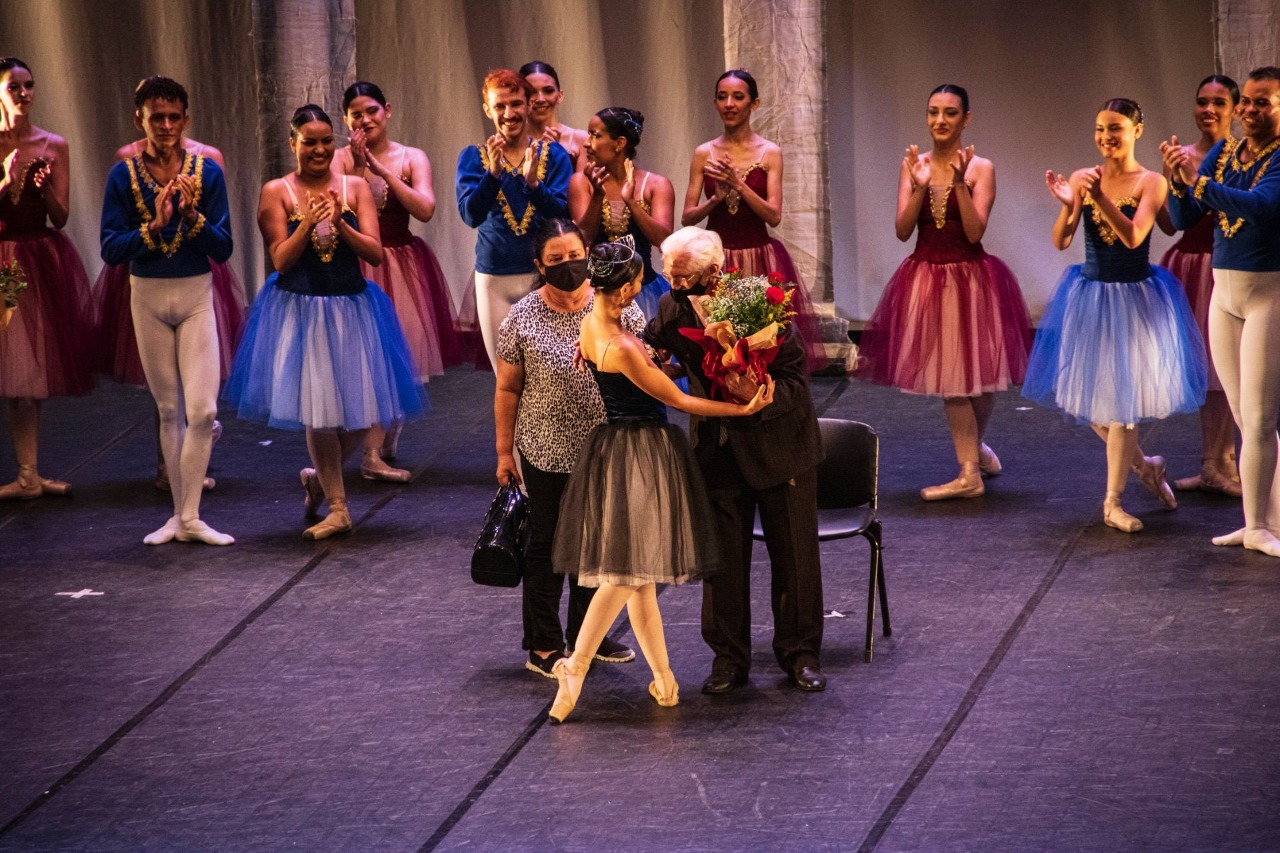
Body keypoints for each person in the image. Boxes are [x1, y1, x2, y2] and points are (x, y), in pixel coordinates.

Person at [547, 237, 775, 723]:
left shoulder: (590, 324)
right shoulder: (624, 346)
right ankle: (576, 665)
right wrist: (742, 407)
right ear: (628, 288)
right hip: (640, 453)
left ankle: (665, 678)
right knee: (626, 575)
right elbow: (681, 401)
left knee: (642, 580)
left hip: (616, 448)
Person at [222, 105, 423, 540]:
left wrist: (340, 224)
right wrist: (308, 224)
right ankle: (338, 506)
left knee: (362, 416)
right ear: (292, 143)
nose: (318, 149)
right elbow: (279, 259)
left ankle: (317, 478)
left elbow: (374, 253)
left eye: (326, 141)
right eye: (309, 142)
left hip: (352, 309)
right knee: (319, 412)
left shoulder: (354, 187)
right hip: (302, 310)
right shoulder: (276, 191)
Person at [645, 225, 826, 694]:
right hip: (717, 449)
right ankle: (728, 660)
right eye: (668, 273)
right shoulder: (671, 305)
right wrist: (647, 360)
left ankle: (800, 654)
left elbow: (794, 383)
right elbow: (658, 346)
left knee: (795, 559)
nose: (672, 283)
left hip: (779, 446)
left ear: (715, 271)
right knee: (722, 564)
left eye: (682, 276)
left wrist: (760, 397)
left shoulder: (764, 304)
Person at [1024, 98, 1206, 533]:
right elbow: (1060, 241)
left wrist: (1097, 197)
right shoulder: (1087, 176)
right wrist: (1069, 204)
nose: (1107, 136)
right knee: (1092, 405)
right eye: (1100, 128)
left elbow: (1133, 236)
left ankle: (1113, 502)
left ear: (1136, 131)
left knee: (1122, 410)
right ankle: (1146, 467)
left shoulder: (1150, 182)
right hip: (1090, 297)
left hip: (1133, 300)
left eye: (1116, 128)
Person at [857, 84, 1031, 500]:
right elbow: (902, 231)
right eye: (933, 112)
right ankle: (972, 465)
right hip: (928, 278)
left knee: (982, 380)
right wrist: (919, 186)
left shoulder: (981, 168)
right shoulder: (912, 165)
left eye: (950, 113)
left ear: (965, 119)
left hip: (972, 279)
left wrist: (957, 184)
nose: (940, 120)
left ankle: (970, 465)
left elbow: (974, 232)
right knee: (955, 379)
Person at [495, 218, 640, 679]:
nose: (568, 266)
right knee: (549, 546)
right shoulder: (521, 319)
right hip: (546, 449)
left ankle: (586, 637)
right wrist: (503, 452)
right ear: (539, 265)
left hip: (606, 447)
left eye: (575, 256)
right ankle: (542, 643)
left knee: (596, 545)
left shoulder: (619, 308)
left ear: (589, 253)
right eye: (556, 260)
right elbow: (507, 390)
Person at [94, 76, 246, 492]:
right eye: (156, 117)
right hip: (147, 294)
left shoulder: (206, 171)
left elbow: (224, 246)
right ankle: (179, 506)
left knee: (201, 407)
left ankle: (190, 506)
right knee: (167, 407)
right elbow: (110, 249)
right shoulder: (123, 176)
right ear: (138, 120)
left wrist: (193, 219)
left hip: (195, 290)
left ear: (186, 120)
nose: (165, 126)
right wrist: (155, 226)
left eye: (173, 117)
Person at [1163, 66, 1280, 556]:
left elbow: (1260, 206)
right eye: (1247, 102)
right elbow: (1185, 216)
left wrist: (1199, 183)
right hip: (1224, 294)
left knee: (1259, 418)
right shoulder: (1226, 150)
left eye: (1263, 103)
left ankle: (1257, 526)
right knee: (1242, 414)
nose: (1250, 111)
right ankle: (1264, 520)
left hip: (1268, 293)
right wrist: (1176, 181)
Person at [337, 80, 466, 482]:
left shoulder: (410, 157)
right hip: (358, 262)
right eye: (356, 114)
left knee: (398, 356)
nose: (365, 120)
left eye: (372, 111)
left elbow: (425, 209)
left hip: (401, 264)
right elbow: (341, 207)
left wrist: (381, 171)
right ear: (346, 119)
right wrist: (359, 168)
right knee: (364, 358)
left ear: (387, 111)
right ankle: (370, 453)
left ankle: (379, 441)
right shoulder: (338, 157)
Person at [682, 69, 826, 373]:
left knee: (765, 346)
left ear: (754, 104)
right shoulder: (704, 153)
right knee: (721, 345)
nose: (729, 104)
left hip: (760, 256)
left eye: (738, 97)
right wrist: (716, 199)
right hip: (716, 260)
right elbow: (687, 217)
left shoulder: (769, 152)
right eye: (722, 97)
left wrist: (739, 184)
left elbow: (773, 215)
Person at [0, 57, 95, 500]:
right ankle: (25, 474)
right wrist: (4, 183)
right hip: (3, 259)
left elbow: (61, 217)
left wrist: (39, 189)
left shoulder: (53, 144)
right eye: (13, 87)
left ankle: (28, 472)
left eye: (28, 85)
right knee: (11, 370)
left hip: (37, 260)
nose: (23, 94)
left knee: (29, 373)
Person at [1156, 75, 1242, 497]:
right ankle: (1213, 461)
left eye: (1218, 102)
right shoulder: (1182, 155)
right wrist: (1173, 181)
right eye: (1202, 101)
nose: (1208, 109)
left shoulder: (1244, 157)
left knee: (1228, 369)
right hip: (1188, 266)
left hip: (1228, 265)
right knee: (1207, 368)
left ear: (1234, 108)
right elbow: (1170, 223)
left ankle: (1222, 459)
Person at [456, 69, 572, 370]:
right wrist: (492, 174)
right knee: (505, 375)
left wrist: (534, 185)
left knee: (549, 370)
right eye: (500, 106)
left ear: (528, 105)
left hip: (544, 276)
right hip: (494, 278)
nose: (509, 113)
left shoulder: (554, 155)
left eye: (516, 104)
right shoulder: (473, 157)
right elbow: (470, 215)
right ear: (488, 110)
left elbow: (563, 216)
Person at [569, 106, 674, 319]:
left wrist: (632, 203)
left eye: (595, 135)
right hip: (595, 296)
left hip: (644, 291)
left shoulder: (655, 185)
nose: (586, 143)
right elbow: (583, 239)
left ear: (619, 143)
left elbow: (663, 240)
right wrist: (598, 197)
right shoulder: (582, 182)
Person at [520, 61, 587, 170]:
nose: (540, 99)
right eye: (531, 92)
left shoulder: (580, 140)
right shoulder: (513, 142)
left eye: (548, 91)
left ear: (560, 95)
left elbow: (582, 185)